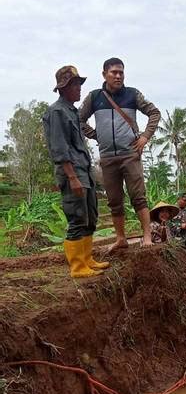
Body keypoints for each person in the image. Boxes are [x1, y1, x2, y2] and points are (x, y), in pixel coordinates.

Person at [79, 57, 161, 252]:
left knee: (138, 197)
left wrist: (145, 137)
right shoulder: (94, 97)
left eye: (121, 72)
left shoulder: (132, 94)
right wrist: (96, 135)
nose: (118, 76)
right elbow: (79, 119)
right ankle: (121, 238)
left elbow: (154, 113)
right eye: (114, 72)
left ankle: (147, 236)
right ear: (104, 74)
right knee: (114, 200)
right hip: (107, 157)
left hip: (130, 154)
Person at [43, 65, 109, 278]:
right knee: (77, 217)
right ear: (63, 88)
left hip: (84, 170)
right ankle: (78, 267)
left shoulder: (72, 111)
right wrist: (72, 177)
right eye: (74, 84)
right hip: (72, 173)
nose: (79, 89)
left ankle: (87, 259)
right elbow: (59, 148)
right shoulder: (56, 112)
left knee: (90, 216)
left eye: (79, 84)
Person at [171, 193, 186, 257]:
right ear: (178, 199)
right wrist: (181, 226)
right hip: (177, 242)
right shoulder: (172, 210)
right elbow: (169, 225)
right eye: (184, 200)